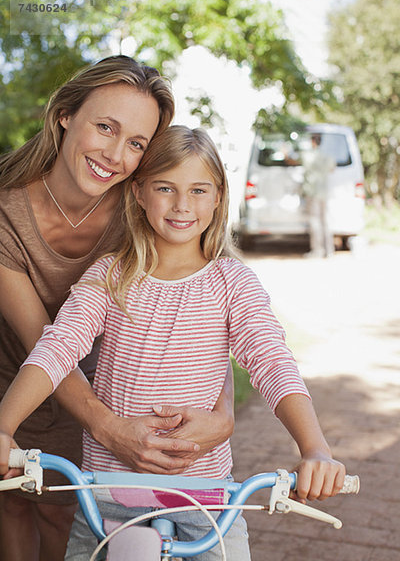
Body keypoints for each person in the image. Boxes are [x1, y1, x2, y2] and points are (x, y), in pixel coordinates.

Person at [0, 125, 346, 560]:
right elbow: (58, 346)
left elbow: (272, 361)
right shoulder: (111, 275)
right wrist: (4, 426)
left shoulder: (231, 282)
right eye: (166, 188)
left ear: (219, 196)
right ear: (140, 192)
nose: (183, 205)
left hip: (206, 501)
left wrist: (314, 448)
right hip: (107, 495)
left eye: (199, 190)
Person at [0, 58, 234, 560]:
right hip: (22, 376)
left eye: (137, 143)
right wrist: (106, 429)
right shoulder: (6, 209)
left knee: (68, 514)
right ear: (65, 114)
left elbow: (209, 311)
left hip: (108, 384)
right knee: (14, 505)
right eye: (105, 127)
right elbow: (48, 340)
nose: (114, 154)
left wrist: (224, 415)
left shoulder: (145, 208)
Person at [301, 133, 336, 258]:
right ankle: (329, 250)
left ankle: (317, 250)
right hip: (324, 193)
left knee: (315, 222)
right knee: (325, 221)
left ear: (312, 142)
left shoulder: (308, 155)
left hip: (313, 193)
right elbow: (332, 169)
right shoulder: (327, 156)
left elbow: (303, 166)